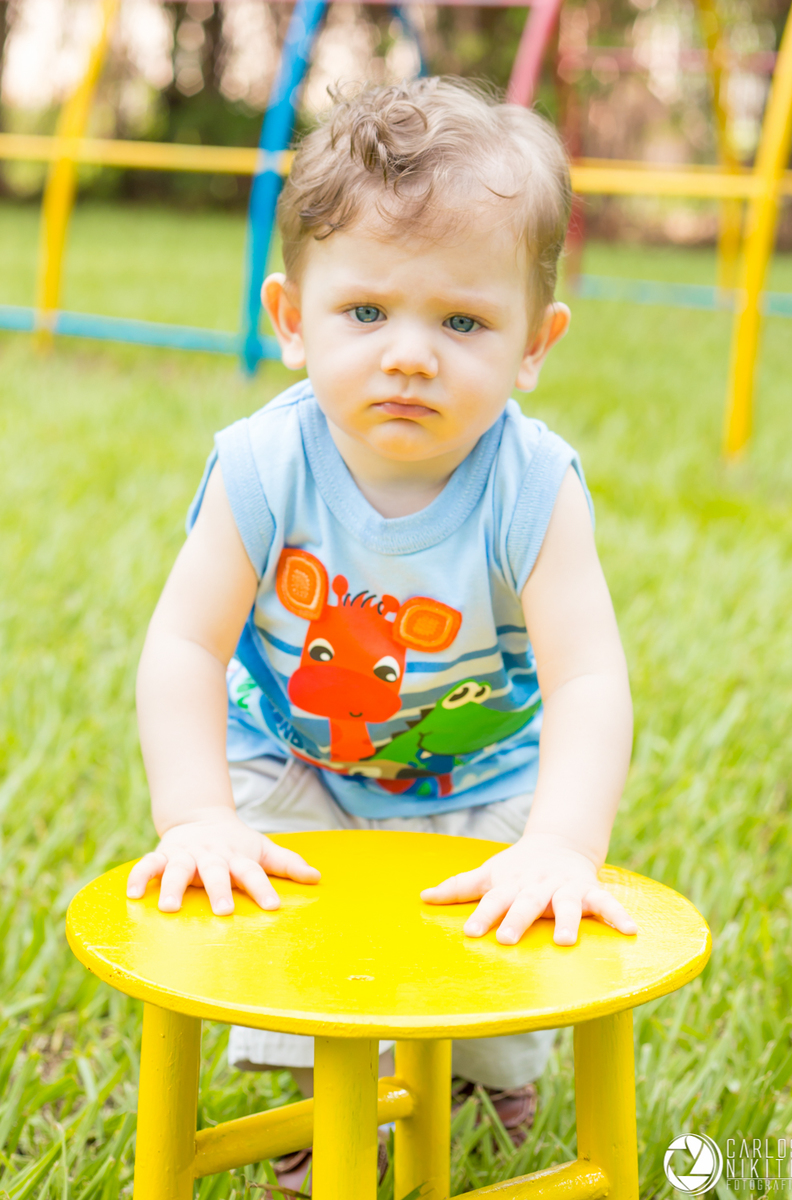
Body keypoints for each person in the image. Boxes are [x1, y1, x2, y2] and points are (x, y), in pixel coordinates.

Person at [126, 77, 636, 1191]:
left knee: (507, 922)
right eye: (366, 313)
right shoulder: (264, 465)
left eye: (462, 322)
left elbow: (587, 678)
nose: (410, 354)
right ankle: (327, 1096)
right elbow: (185, 647)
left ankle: (484, 1074)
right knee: (282, 903)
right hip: (298, 765)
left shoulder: (532, 486)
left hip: (480, 777)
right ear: (291, 320)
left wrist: (561, 842)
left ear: (534, 343)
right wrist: (197, 817)